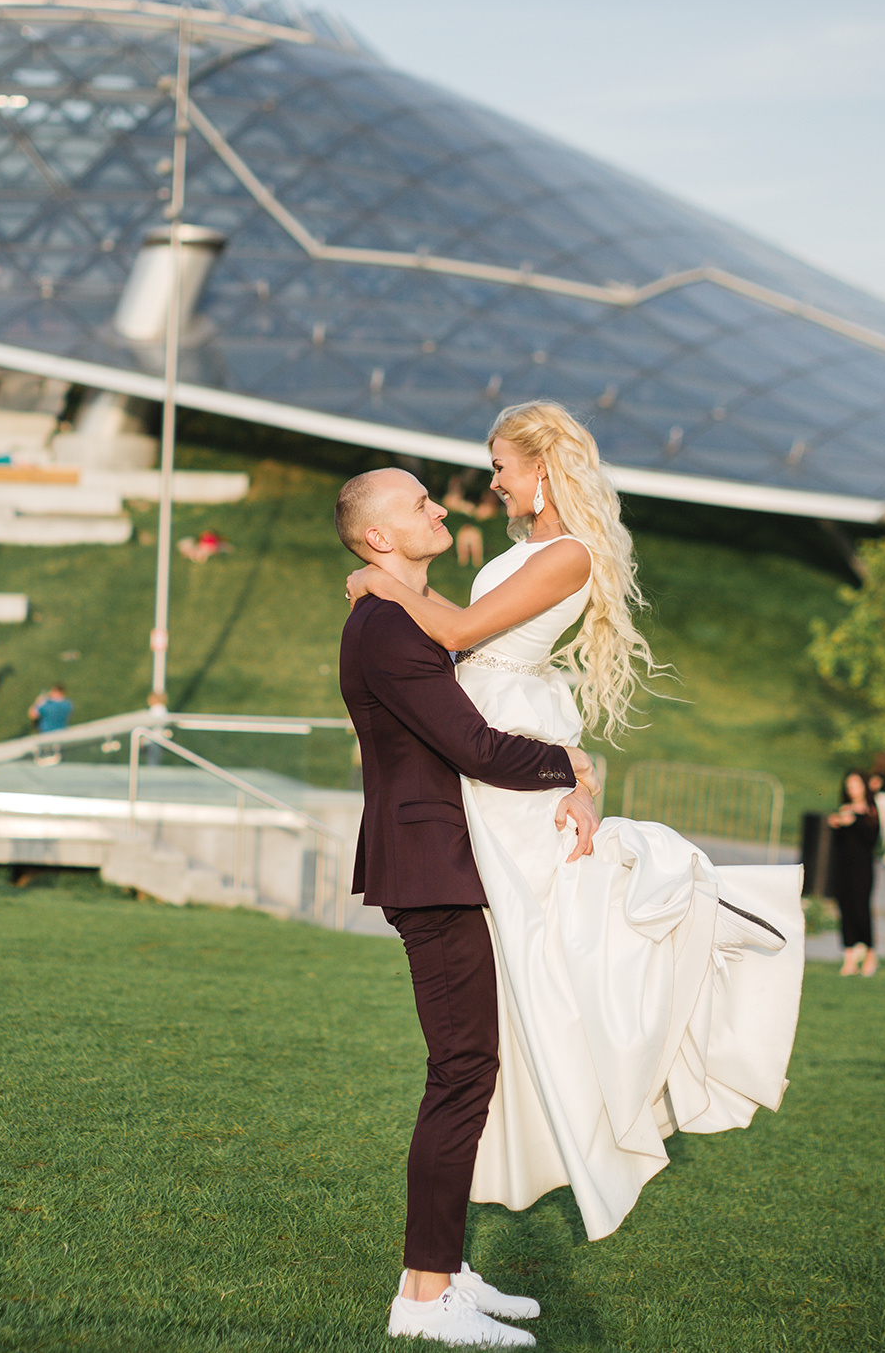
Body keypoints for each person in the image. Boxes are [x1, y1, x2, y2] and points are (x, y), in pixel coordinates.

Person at [339, 404, 801, 1340]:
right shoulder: (390, 628)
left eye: (498, 467)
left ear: (543, 468)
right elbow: (469, 728)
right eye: (430, 497)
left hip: (481, 818)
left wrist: (572, 767)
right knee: (475, 1057)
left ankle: (443, 1274)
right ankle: (422, 1297)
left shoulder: (481, 583)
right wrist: (568, 765)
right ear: (385, 533)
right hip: (449, 846)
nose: (481, 486)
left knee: (514, 1018)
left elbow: (465, 645)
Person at [825, 769, 881, 976]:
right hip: (843, 868)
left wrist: (855, 822)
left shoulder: (871, 810)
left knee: (861, 910)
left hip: (862, 868)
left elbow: (872, 840)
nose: (852, 790)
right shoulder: (843, 810)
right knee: (845, 910)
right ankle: (849, 957)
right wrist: (836, 825)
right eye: (849, 786)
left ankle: (870, 955)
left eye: (856, 785)